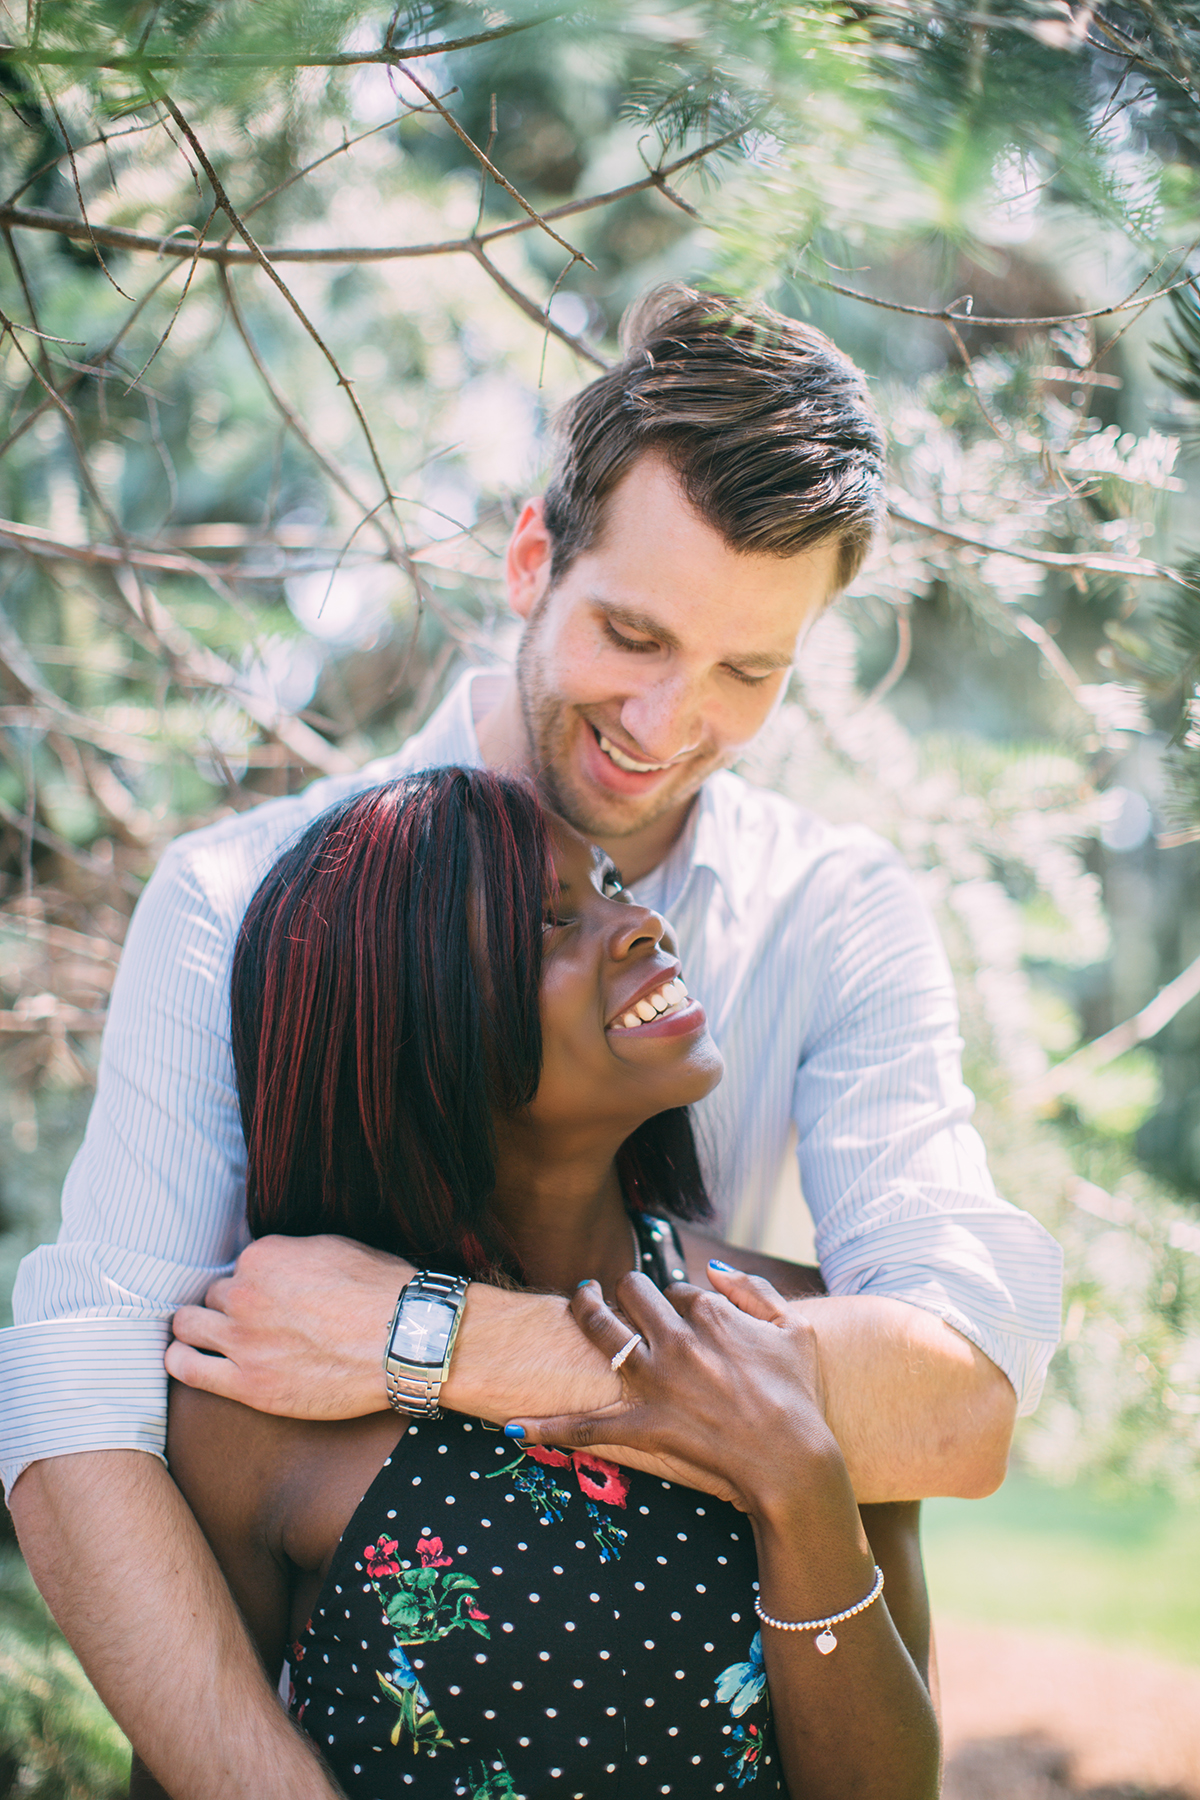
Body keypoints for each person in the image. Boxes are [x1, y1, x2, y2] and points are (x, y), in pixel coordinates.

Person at [2, 285, 1062, 1800]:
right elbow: (79, 1399)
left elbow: (954, 1399)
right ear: (528, 560)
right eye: (632, 633)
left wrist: (418, 1337)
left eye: (747, 674)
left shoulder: (834, 913)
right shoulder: (248, 896)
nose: (665, 720)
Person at [136, 765, 939, 1800]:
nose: (641, 921)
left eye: (610, 882)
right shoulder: (256, 1405)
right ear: (419, 1030)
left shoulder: (796, 1330)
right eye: (553, 924)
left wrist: (798, 1483)